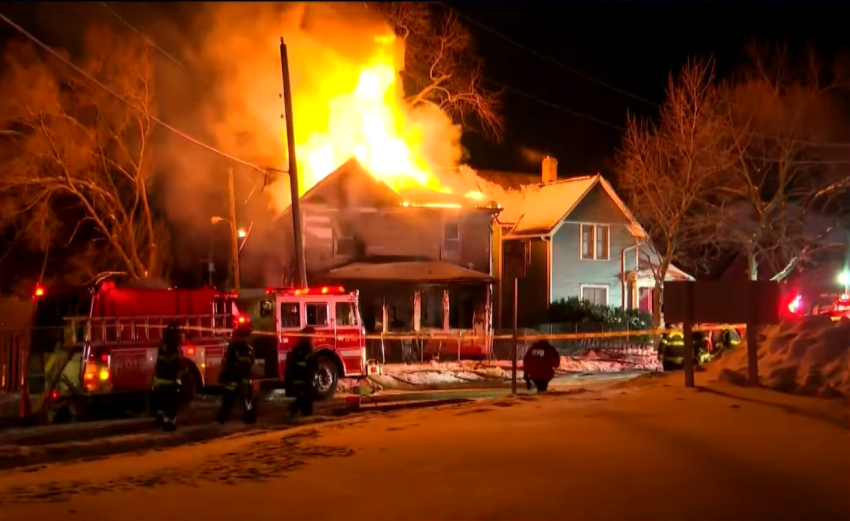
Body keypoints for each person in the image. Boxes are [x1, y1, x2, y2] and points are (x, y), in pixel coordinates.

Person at [217, 323, 256, 425]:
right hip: (241, 379)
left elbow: (227, 363)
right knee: (246, 401)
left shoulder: (233, 347)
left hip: (233, 379)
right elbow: (250, 362)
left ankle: (221, 420)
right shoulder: (246, 348)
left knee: (229, 401)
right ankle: (249, 419)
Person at [153, 322, 184, 432]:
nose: (181, 335)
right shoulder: (173, 346)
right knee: (171, 404)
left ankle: (162, 419)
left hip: (161, 380)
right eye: (179, 332)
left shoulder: (164, 344)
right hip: (170, 380)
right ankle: (169, 424)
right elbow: (176, 364)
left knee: (162, 402)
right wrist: (182, 375)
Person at [285, 326, 318, 418]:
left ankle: (292, 413)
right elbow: (314, 366)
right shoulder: (308, 351)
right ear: (309, 337)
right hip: (304, 381)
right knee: (305, 401)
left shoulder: (296, 350)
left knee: (302, 399)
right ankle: (293, 413)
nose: (314, 339)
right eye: (313, 337)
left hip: (297, 380)